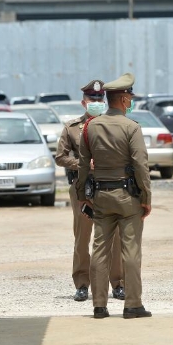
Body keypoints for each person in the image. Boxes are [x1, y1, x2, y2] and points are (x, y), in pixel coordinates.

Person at [76, 72, 152, 319]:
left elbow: (83, 164)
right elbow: (140, 165)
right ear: (123, 99)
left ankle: (99, 306)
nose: (131, 101)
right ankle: (132, 305)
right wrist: (146, 198)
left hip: (100, 196)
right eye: (130, 97)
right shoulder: (132, 127)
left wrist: (82, 195)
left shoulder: (90, 126)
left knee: (100, 250)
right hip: (128, 197)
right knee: (131, 251)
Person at [55, 79, 125, 302]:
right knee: (82, 237)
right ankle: (82, 284)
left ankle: (118, 283)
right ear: (83, 102)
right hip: (82, 188)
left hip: (110, 187)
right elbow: (60, 157)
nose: (96, 101)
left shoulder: (114, 124)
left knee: (114, 237)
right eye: (91, 98)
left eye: (99, 98)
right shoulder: (72, 127)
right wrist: (82, 163)